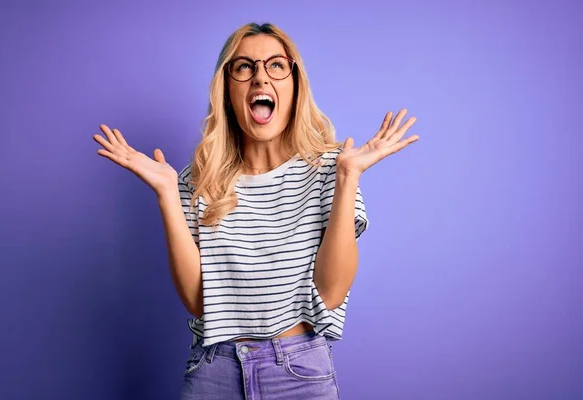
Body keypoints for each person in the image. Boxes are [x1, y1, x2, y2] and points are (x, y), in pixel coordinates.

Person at [93, 22, 418, 400]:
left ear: (295, 84)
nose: (260, 77)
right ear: (227, 89)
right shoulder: (196, 180)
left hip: (298, 372)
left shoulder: (333, 168)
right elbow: (200, 303)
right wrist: (167, 193)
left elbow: (330, 293)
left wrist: (347, 177)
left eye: (276, 65)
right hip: (212, 372)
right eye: (244, 67)